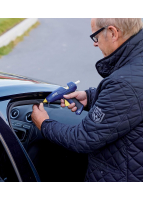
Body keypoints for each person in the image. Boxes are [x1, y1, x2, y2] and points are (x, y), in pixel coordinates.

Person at [31, 18, 143, 182]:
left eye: (95, 37)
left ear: (112, 32)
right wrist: (91, 97)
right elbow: (132, 101)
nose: (95, 44)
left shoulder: (124, 83)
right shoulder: (136, 65)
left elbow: (83, 139)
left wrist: (44, 124)